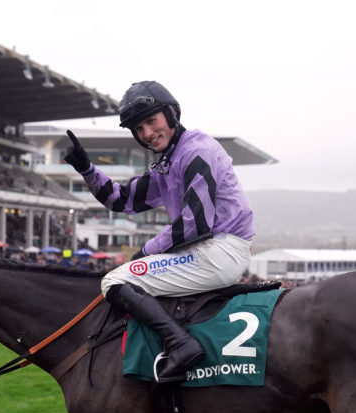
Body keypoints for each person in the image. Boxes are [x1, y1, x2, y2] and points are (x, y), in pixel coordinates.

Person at [64, 80, 254, 382]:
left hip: (218, 249)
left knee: (114, 280)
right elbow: (121, 199)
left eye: (151, 122)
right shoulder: (168, 161)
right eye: (138, 129)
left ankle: (181, 344)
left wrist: (145, 251)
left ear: (172, 114)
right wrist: (87, 169)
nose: (147, 134)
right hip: (207, 248)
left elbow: (195, 222)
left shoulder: (197, 151)